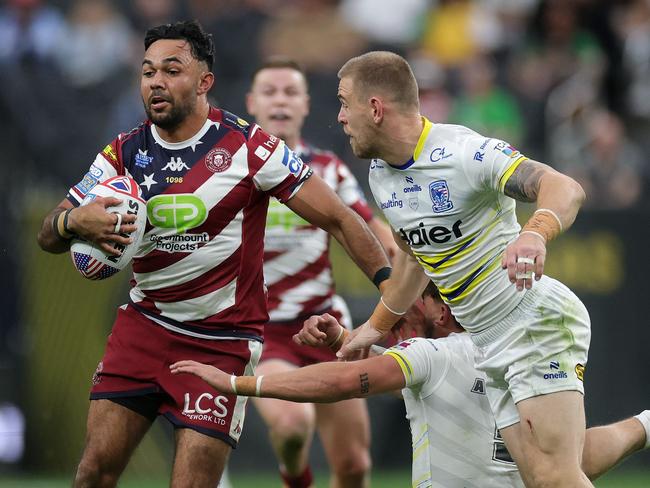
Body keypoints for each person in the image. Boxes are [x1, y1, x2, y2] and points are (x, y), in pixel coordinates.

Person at [36, 21, 391, 487]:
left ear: (204, 82)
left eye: (171, 70)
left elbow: (341, 218)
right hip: (142, 327)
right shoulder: (123, 152)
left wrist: (391, 298)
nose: (155, 82)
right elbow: (49, 234)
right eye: (147, 72)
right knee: (92, 473)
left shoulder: (251, 148)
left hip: (221, 342)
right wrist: (73, 221)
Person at [332, 51, 594, 487]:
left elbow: (564, 187)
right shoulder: (381, 173)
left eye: (345, 103)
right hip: (487, 343)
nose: (340, 117)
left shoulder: (462, 152)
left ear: (375, 108)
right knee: (533, 479)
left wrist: (534, 233)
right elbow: (414, 259)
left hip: (534, 321)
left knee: (555, 477)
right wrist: (374, 328)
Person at [170, 282, 650, 488]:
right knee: (560, 461)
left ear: (443, 311)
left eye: (413, 300)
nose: (401, 312)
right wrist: (345, 338)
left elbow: (344, 381)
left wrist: (238, 382)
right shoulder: (509, 353)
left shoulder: (431, 356)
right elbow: (579, 455)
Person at [245, 57, 396, 488]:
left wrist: (402, 263)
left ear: (306, 105)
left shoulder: (327, 168)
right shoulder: (235, 171)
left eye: (290, 92)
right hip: (265, 332)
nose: (280, 101)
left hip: (327, 324)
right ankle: (296, 475)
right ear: (252, 103)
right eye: (270, 92)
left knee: (354, 468)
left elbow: (366, 226)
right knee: (293, 425)